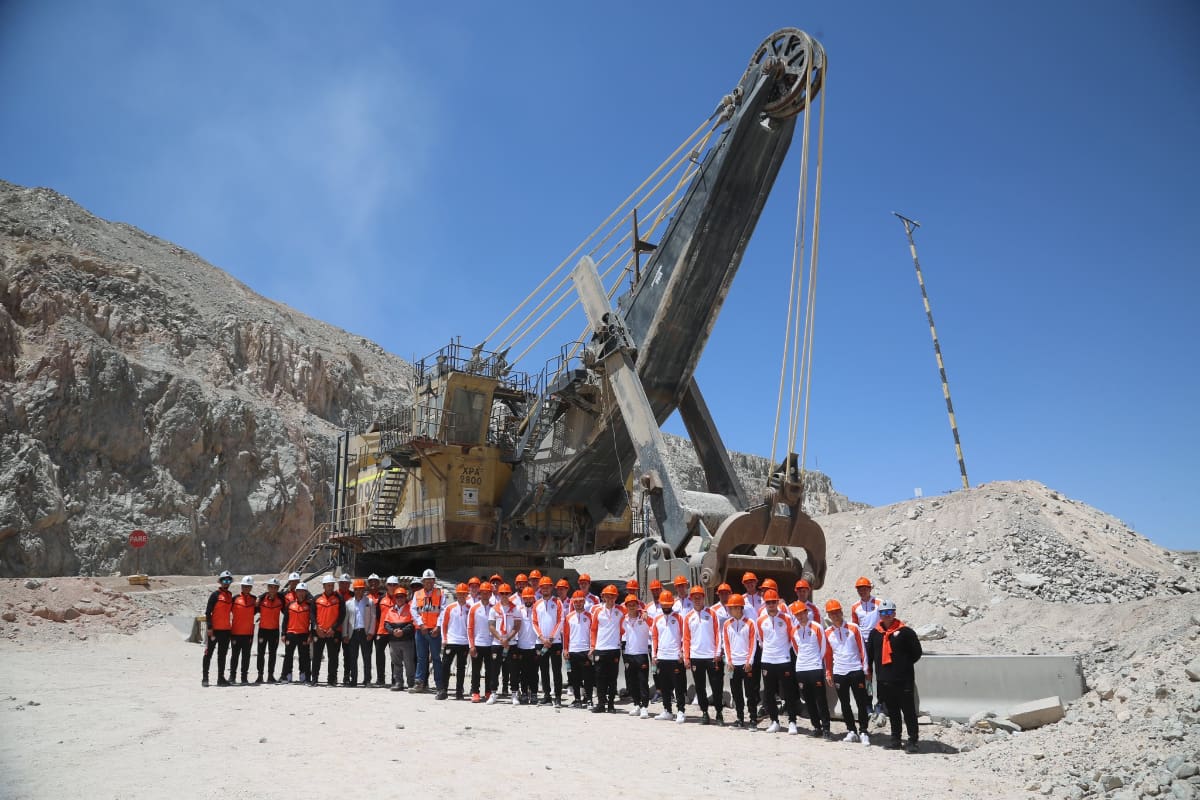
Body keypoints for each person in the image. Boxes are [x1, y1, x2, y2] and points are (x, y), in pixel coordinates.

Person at [866, 599, 922, 753]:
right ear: (879, 615)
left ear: (894, 613)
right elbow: (870, 655)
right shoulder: (875, 633)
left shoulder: (906, 632)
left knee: (908, 711)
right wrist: (869, 672)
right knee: (893, 711)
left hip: (903, 680)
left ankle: (912, 740)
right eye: (883, 613)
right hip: (884, 680)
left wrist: (903, 665)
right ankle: (896, 739)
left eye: (889, 612)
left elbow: (916, 653)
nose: (886, 616)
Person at [824, 598, 871, 745]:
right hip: (839, 672)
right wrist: (829, 673)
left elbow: (862, 648)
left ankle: (863, 731)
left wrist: (865, 668)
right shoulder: (827, 633)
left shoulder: (853, 627)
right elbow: (828, 655)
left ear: (841, 612)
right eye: (832, 614)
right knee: (845, 703)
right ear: (829, 616)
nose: (835, 616)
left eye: (837, 612)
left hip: (856, 670)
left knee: (861, 702)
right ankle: (851, 730)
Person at [756, 589, 798, 734]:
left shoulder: (786, 618)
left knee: (788, 691)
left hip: (784, 659)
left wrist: (784, 651)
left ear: (778, 602)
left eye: (774, 602)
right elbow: (761, 640)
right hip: (767, 660)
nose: (771, 605)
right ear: (765, 604)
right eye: (768, 602)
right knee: (769, 693)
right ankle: (775, 721)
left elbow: (792, 637)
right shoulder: (760, 620)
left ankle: (792, 721)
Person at [682, 585, 724, 725]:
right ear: (691, 599)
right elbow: (686, 639)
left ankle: (719, 714)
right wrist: (686, 657)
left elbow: (718, 633)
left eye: (699, 597)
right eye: (695, 598)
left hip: (712, 657)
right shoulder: (688, 617)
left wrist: (718, 652)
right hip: (696, 657)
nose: (697, 600)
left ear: (703, 598)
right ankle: (705, 712)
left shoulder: (712, 613)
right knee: (700, 687)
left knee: (716, 686)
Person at [792, 602, 830, 738]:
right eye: (797, 614)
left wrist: (816, 661)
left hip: (815, 667)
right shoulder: (794, 630)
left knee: (820, 699)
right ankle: (816, 727)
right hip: (801, 669)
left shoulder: (817, 627)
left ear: (806, 613)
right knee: (808, 700)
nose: (800, 616)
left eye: (802, 613)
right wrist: (804, 661)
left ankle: (826, 728)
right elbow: (796, 649)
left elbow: (823, 647)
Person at [720, 594, 758, 728]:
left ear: (739, 608)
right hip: (733, 665)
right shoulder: (726, 624)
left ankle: (753, 719)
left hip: (746, 664)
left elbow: (753, 643)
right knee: (736, 694)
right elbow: (726, 644)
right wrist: (728, 661)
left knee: (750, 693)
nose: (729, 610)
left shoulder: (750, 623)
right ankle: (740, 719)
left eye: (731, 607)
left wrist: (750, 661)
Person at [651, 591, 687, 723]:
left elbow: (685, 636)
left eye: (668, 605)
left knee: (678, 686)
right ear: (660, 604)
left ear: (672, 604)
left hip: (675, 658)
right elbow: (654, 637)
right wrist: (654, 655)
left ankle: (681, 711)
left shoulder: (679, 618)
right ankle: (667, 710)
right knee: (664, 686)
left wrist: (682, 652)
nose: (666, 607)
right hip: (661, 657)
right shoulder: (657, 619)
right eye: (663, 605)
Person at [411, 569, 446, 698]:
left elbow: (443, 611)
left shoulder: (440, 593)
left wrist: (438, 626)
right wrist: (421, 624)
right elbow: (413, 610)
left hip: (434, 631)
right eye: (426, 581)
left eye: (431, 580)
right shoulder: (417, 594)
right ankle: (419, 683)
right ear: (423, 582)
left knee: (436, 658)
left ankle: (439, 684)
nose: (429, 583)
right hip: (421, 631)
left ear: (434, 581)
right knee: (421, 658)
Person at [589, 585, 623, 713]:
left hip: (614, 648)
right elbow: (593, 629)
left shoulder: (620, 610)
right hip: (600, 648)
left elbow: (635, 611)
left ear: (616, 597)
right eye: (607, 596)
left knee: (612, 678)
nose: (610, 599)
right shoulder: (597, 611)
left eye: (612, 596)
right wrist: (592, 646)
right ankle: (601, 704)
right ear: (603, 597)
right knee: (599, 677)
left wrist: (643, 612)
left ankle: (611, 704)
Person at [532, 577, 564, 706]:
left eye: (548, 587)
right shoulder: (536, 604)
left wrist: (550, 638)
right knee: (543, 670)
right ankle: (547, 696)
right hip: (541, 642)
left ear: (551, 588)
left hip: (554, 642)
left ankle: (558, 697)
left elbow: (560, 621)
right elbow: (534, 623)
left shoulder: (558, 602)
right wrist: (542, 638)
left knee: (557, 670)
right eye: (543, 587)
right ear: (540, 588)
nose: (545, 589)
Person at [488, 584, 522, 705]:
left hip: (511, 643)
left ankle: (514, 693)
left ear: (510, 594)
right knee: (494, 669)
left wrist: (507, 638)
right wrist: (501, 639)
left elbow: (517, 626)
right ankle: (493, 693)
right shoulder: (494, 609)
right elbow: (491, 626)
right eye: (502, 593)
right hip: (497, 643)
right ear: (499, 594)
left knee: (513, 669)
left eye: (506, 593)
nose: (504, 596)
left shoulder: (516, 608)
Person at [562, 591, 595, 709]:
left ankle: (589, 699)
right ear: (573, 603)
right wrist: (565, 649)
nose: (578, 604)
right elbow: (565, 635)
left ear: (584, 602)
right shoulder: (568, 617)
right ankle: (577, 700)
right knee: (575, 678)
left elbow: (593, 633)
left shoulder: (590, 616)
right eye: (576, 602)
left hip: (586, 651)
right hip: (572, 651)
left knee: (588, 677)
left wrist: (592, 647)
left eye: (580, 601)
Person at [202, 571, 235, 687]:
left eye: (229, 580)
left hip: (226, 630)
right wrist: (209, 627)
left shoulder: (230, 595)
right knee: (208, 653)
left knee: (222, 655)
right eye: (224, 580)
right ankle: (205, 678)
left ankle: (220, 678)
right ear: (220, 582)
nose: (227, 583)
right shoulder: (215, 595)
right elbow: (208, 612)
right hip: (214, 630)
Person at [621, 594, 652, 718]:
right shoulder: (623, 619)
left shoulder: (644, 618)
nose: (632, 607)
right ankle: (636, 705)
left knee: (643, 682)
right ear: (626, 606)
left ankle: (645, 707)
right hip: (629, 654)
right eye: (629, 605)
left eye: (634, 604)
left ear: (637, 605)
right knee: (632, 682)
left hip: (642, 654)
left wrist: (646, 615)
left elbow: (654, 626)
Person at [342, 579, 377, 688]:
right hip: (353, 633)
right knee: (353, 657)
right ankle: (354, 680)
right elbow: (345, 620)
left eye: (361, 589)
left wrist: (371, 632)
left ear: (364, 590)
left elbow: (373, 618)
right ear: (354, 590)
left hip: (364, 632)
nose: (359, 591)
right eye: (357, 589)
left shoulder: (369, 602)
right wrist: (345, 634)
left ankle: (367, 680)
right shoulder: (348, 603)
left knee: (367, 657)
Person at [311, 575, 345, 687]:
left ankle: (331, 679)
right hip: (319, 632)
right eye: (328, 585)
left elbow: (342, 615)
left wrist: (333, 628)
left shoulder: (339, 598)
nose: (330, 587)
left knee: (333, 657)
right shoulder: (316, 598)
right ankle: (314, 678)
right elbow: (312, 615)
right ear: (324, 586)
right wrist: (316, 627)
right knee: (317, 656)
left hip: (333, 633)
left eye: (332, 585)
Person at [441, 583, 472, 700]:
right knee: (446, 665)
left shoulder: (470, 608)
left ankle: (459, 691)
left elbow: (471, 626)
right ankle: (443, 689)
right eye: (459, 594)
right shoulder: (450, 608)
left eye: (464, 594)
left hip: (464, 642)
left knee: (461, 667)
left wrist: (470, 642)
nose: (462, 596)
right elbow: (444, 624)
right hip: (451, 640)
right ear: (456, 594)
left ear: (466, 595)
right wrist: (444, 638)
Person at [467, 582, 497, 702]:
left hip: (491, 644)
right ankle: (475, 692)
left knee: (490, 670)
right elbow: (469, 627)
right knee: (476, 670)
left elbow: (497, 626)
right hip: (478, 644)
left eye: (488, 592)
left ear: (491, 594)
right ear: (480, 593)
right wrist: (471, 645)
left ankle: (489, 692)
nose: (485, 594)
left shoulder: (494, 608)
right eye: (483, 592)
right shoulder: (474, 608)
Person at [281, 582, 314, 683]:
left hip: (303, 634)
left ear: (306, 593)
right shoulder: (290, 605)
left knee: (304, 656)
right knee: (288, 656)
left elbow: (313, 621)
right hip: (291, 634)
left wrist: (311, 634)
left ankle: (305, 676)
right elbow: (285, 620)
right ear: (296, 592)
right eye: (299, 591)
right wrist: (283, 633)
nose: (301, 593)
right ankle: (287, 676)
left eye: (303, 591)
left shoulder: (309, 606)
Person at [228, 576, 257, 685]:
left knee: (246, 656)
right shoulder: (235, 599)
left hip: (248, 633)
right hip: (235, 632)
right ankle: (232, 676)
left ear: (251, 587)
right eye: (245, 586)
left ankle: (244, 677)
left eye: (249, 587)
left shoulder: (254, 600)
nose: (246, 588)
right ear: (241, 586)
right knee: (234, 656)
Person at [255, 577, 284, 684]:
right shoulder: (262, 600)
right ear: (268, 587)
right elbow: (254, 609)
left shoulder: (281, 600)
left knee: (272, 654)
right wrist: (260, 597)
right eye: (271, 587)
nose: (273, 589)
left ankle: (270, 675)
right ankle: (260, 675)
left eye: (275, 587)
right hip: (263, 630)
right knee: (261, 653)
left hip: (274, 631)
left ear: (278, 589)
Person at [515, 587, 540, 704]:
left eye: (530, 597)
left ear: (533, 597)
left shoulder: (537, 609)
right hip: (521, 645)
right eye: (525, 598)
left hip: (534, 646)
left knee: (534, 672)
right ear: (522, 598)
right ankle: (524, 693)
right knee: (523, 672)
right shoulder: (518, 610)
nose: (528, 600)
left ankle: (534, 693)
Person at [279, 572, 302, 682]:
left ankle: (303, 675)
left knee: (303, 654)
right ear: (289, 582)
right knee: (289, 654)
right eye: (292, 582)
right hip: (290, 625)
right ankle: (287, 676)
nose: (294, 583)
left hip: (301, 626)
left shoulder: (303, 593)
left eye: (296, 582)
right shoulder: (285, 595)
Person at [368, 575, 390, 686]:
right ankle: (368, 678)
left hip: (379, 630)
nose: (373, 584)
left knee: (380, 655)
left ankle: (381, 678)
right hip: (368, 631)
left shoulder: (382, 597)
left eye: (375, 582)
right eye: (371, 582)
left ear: (379, 584)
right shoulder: (365, 597)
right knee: (367, 655)